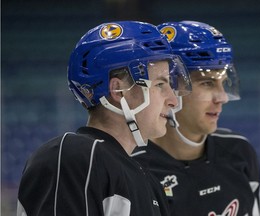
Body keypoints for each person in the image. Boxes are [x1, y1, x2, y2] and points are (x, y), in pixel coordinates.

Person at [16, 21, 192, 216]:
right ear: (118, 90)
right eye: (160, 84)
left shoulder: (148, 182)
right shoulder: (74, 155)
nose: (173, 100)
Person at [132, 21, 260, 216]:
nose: (222, 97)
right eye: (208, 83)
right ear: (170, 88)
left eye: (223, 83)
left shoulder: (239, 152)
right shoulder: (131, 168)